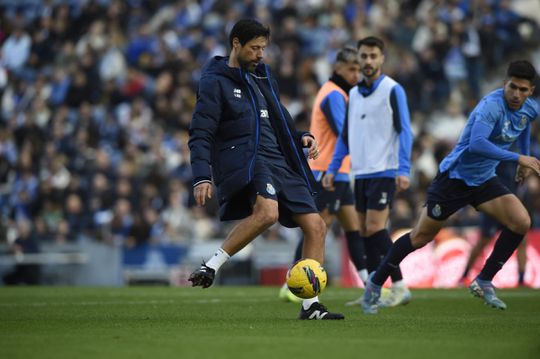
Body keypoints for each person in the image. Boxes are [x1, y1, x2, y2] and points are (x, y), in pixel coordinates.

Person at [187, 19, 344, 320]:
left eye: (263, 48)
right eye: (254, 48)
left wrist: (300, 137)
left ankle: (311, 306)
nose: (260, 54)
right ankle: (212, 266)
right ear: (236, 44)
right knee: (268, 213)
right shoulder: (215, 81)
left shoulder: (262, 76)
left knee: (317, 227)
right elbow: (200, 131)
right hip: (249, 160)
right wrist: (202, 176)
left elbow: (279, 118)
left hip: (282, 162)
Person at [362, 60, 540, 314]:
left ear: (531, 91)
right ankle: (375, 283)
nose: (517, 94)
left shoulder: (529, 109)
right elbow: (477, 144)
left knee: (521, 221)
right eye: (513, 87)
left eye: (523, 90)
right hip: (454, 179)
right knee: (420, 237)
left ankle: (484, 279)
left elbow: (522, 126)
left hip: (484, 180)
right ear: (505, 84)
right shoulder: (490, 106)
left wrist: (523, 156)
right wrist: (518, 158)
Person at [323, 36, 413, 307]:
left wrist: (404, 167)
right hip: (360, 173)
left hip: (384, 170)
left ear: (382, 58)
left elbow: (405, 130)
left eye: (374, 56)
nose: (368, 61)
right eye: (364, 56)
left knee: (375, 228)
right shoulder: (352, 94)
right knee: (364, 231)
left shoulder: (392, 89)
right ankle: (374, 291)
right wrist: (333, 168)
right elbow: (345, 138)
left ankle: (399, 286)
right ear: (359, 58)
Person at [278, 47, 369, 303]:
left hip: (338, 172)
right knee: (317, 227)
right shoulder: (334, 95)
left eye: (358, 71)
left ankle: (368, 284)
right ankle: (294, 282)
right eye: (351, 69)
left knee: (352, 227)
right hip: (327, 172)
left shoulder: (339, 93)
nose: (356, 75)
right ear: (338, 68)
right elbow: (345, 132)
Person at [459, 160, 528, 287]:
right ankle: (464, 276)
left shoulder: (517, 155)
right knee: (483, 241)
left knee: (522, 240)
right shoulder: (496, 154)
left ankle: (522, 279)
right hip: (496, 203)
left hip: (512, 204)